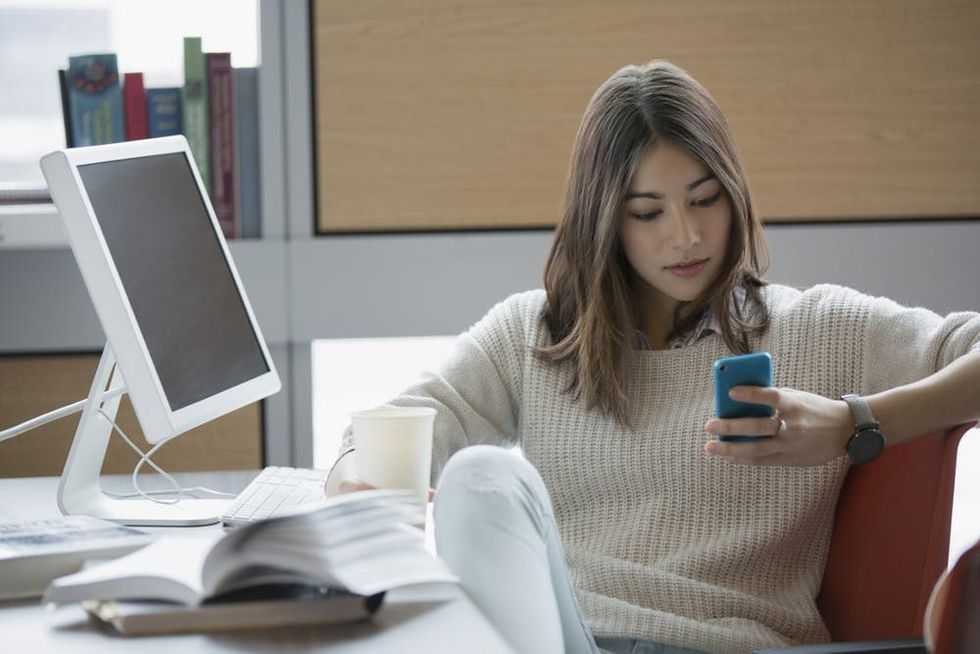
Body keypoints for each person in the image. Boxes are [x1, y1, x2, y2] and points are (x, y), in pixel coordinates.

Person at [326, 60, 980, 654]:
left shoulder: (821, 327)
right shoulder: (537, 335)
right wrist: (354, 477)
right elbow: (386, 431)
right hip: (567, 639)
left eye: (705, 199)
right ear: (604, 220)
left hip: (728, 646)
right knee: (478, 476)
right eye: (648, 212)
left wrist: (855, 421)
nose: (687, 235)